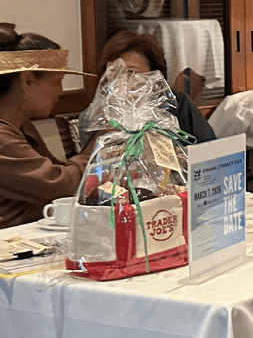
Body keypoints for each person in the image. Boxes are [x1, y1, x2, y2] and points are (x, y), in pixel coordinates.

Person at [0, 25, 97, 228]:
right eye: (56, 81)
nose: (60, 92)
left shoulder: (22, 125)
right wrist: (100, 140)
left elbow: (55, 170)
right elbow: (59, 185)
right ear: (27, 81)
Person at [78, 31, 214, 145]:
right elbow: (94, 167)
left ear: (153, 76)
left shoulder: (177, 103)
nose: (122, 79)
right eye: (115, 71)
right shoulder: (94, 116)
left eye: (131, 72)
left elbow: (209, 148)